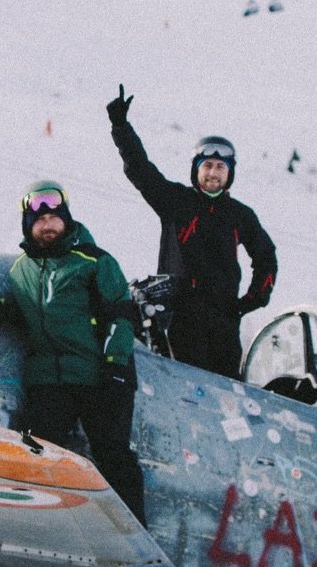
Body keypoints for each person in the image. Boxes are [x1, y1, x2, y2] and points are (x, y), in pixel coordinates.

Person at [106, 87, 277, 378]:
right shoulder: (175, 201)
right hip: (179, 318)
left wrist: (248, 302)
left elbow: (266, 257)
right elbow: (140, 169)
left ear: (229, 173)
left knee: (226, 393)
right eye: (207, 165)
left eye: (220, 167)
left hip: (224, 322)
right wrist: (121, 127)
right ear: (196, 170)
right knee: (183, 387)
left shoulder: (241, 215)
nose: (213, 173)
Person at [3, 182, 146, 524]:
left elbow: (122, 314)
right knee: (37, 453)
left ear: (66, 221)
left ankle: (132, 531)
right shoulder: (19, 270)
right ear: (28, 225)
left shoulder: (94, 261)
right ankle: (38, 525)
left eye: (55, 218)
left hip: (100, 375)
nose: (48, 225)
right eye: (40, 221)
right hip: (50, 381)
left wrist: (114, 365)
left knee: (113, 456)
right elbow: (23, 315)